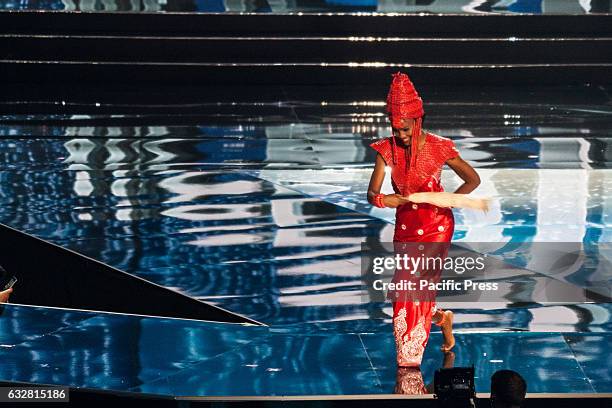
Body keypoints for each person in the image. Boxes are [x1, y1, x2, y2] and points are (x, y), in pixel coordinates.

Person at [367, 71, 482, 367]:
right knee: (404, 288)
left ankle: (410, 356)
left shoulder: (440, 147)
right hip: (406, 226)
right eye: (396, 130)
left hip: (436, 226)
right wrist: (384, 200)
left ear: (418, 121)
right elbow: (372, 194)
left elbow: (472, 179)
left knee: (416, 286)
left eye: (405, 129)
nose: (401, 136)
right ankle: (442, 320)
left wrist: (449, 201)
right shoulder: (385, 150)